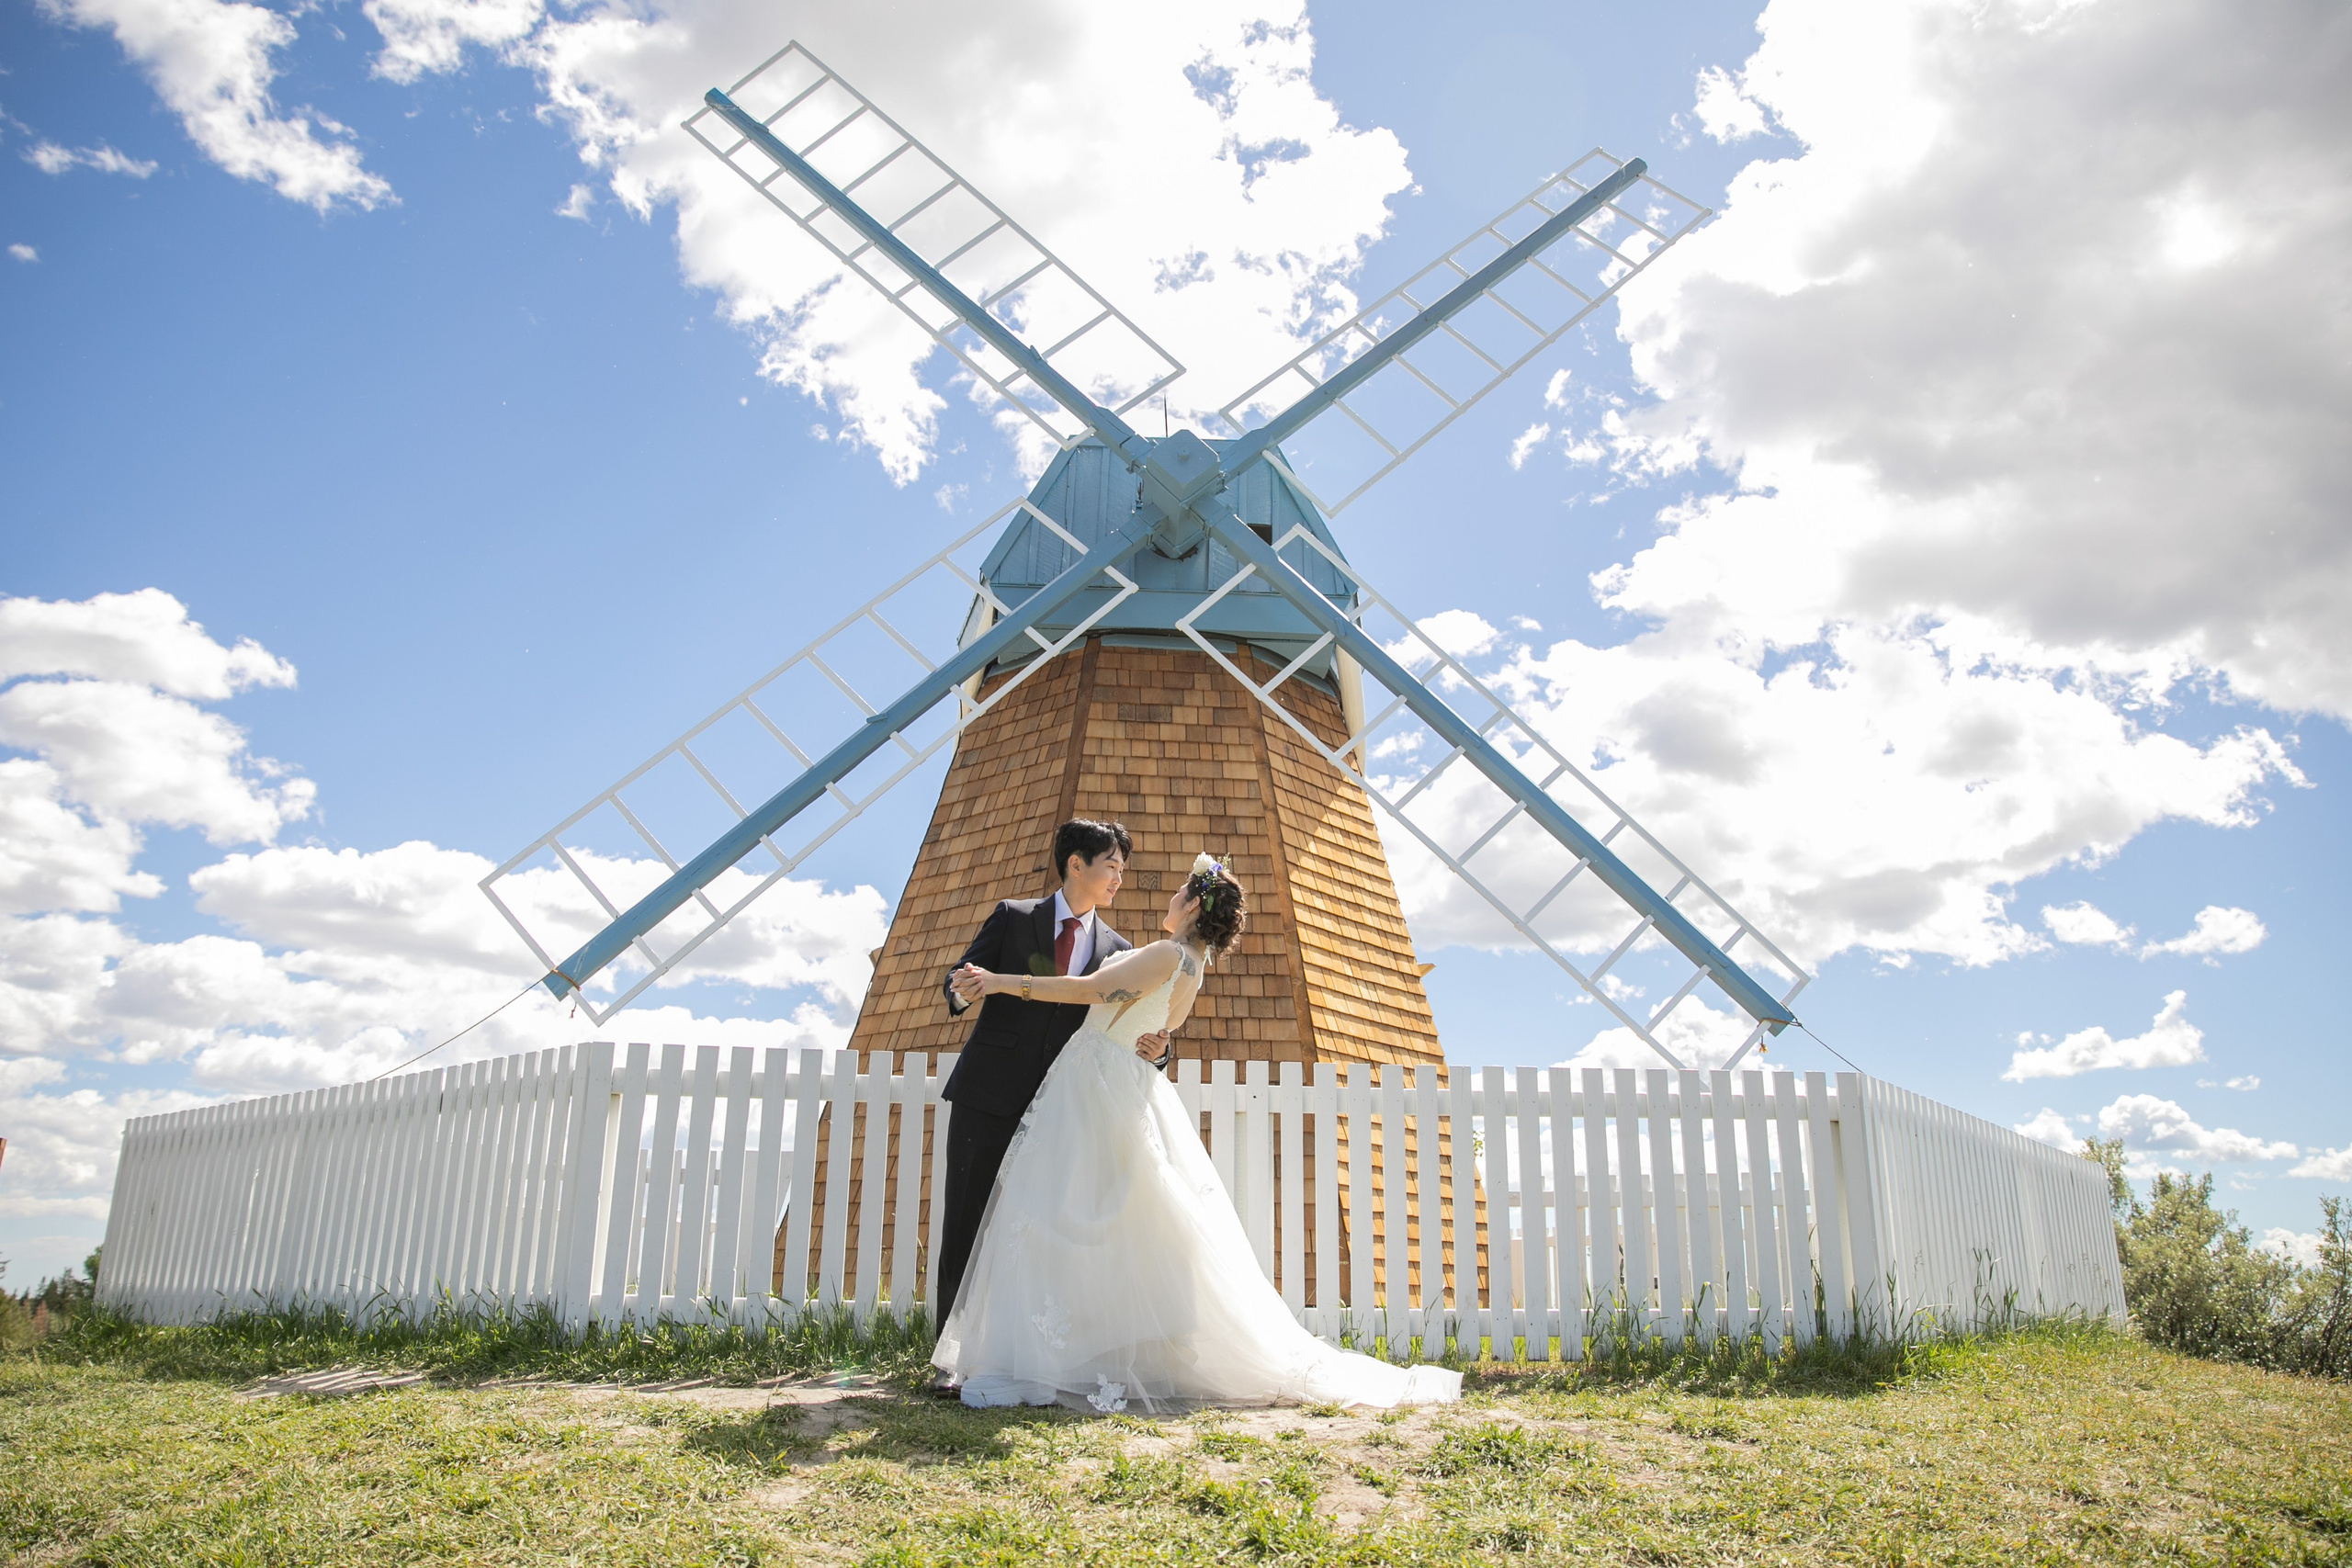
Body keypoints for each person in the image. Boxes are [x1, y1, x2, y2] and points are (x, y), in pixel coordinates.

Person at [933, 853, 1462, 1413]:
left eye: (1178, 892)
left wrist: (999, 982)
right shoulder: (1193, 966)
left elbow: (1087, 991)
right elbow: (1155, 1027)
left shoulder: (1166, 953)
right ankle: (1080, 1352)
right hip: (1123, 1085)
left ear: (1191, 906)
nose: (1167, 898)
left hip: (1093, 1084)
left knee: (1056, 1213)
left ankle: (1049, 1354)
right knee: (1104, 1220)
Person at [930, 819, 1170, 1363]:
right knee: (966, 1223)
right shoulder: (1015, 917)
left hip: (1061, 1107)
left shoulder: (1120, 948)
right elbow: (960, 979)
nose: (1118, 878)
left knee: (1041, 1234)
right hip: (987, 1096)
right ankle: (948, 1356)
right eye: (1110, 865)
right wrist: (963, 990)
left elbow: (1131, 1025)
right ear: (1075, 864)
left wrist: (1160, 1051)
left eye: (1122, 869)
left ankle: (1022, 1354)